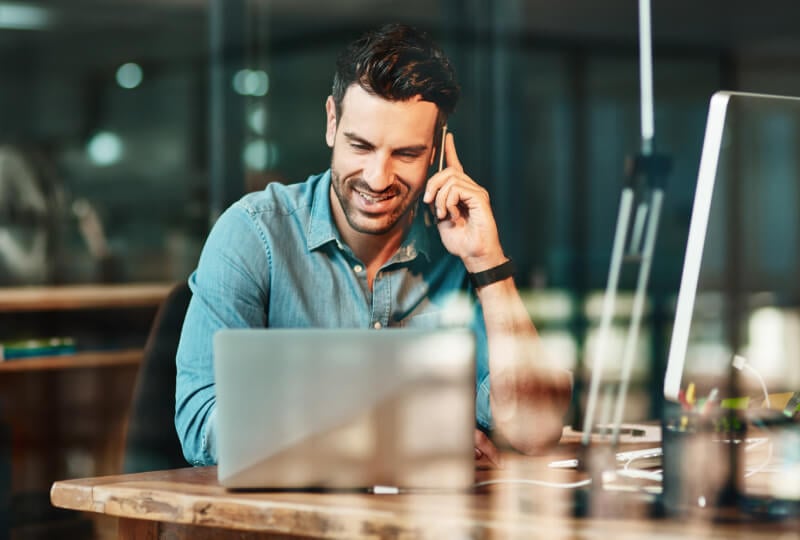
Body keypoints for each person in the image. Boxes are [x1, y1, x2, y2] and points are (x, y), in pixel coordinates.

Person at [175, 23, 572, 469]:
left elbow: (534, 431)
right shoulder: (254, 234)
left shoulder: (460, 252)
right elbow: (203, 427)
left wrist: (487, 264)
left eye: (405, 154)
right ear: (332, 122)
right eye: (360, 146)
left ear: (438, 150)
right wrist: (401, 435)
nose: (377, 178)